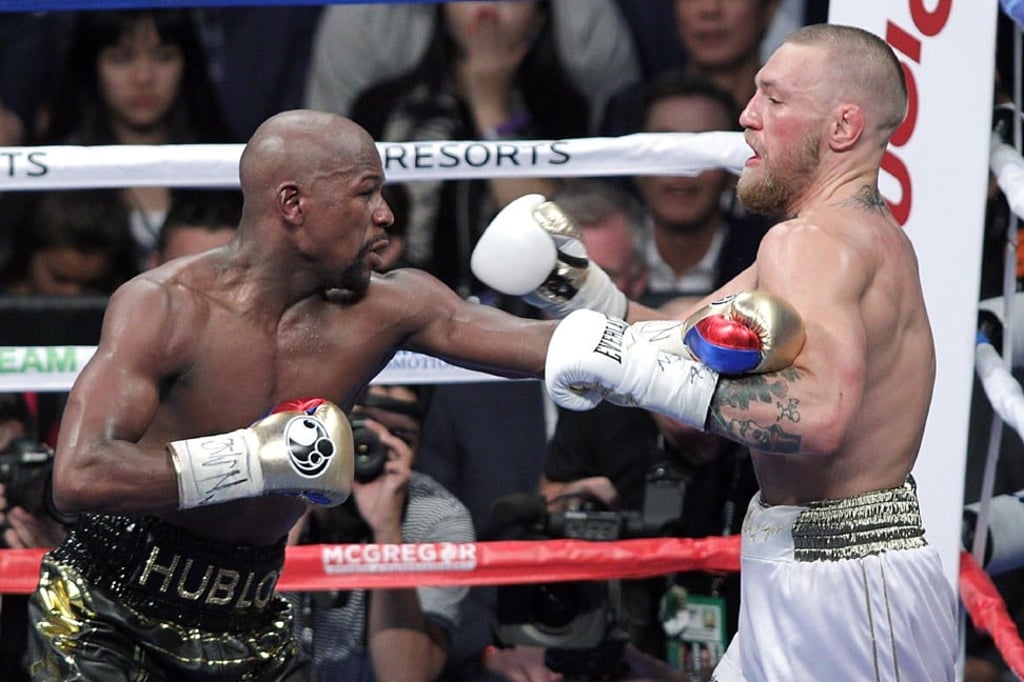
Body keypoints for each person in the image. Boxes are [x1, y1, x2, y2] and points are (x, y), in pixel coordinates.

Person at [472, 24, 958, 680]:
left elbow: (817, 416)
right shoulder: (849, 237)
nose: (747, 116)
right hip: (809, 563)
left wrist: (633, 367)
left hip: (844, 584)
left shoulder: (810, 244)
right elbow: (681, 332)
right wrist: (579, 291)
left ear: (843, 127)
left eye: (775, 100)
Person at [25, 109, 558, 681]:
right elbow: (79, 476)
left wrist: (637, 327)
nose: (386, 214)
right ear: (293, 204)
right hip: (110, 616)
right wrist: (252, 460)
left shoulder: (390, 307)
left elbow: (543, 346)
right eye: (366, 193)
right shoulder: (165, 305)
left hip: (250, 622)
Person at [306, 0, 639, 297]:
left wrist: (490, 106)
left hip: (522, 311)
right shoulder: (382, 105)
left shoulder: (565, 111)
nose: (487, 11)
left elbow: (556, 235)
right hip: (395, 302)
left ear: (539, 17)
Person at [285, 383, 473, 681]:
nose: (373, 447)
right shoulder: (276, 493)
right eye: (360, 431)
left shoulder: (437, 516)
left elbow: (405, 676)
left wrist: (387, 531)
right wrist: (297, 501)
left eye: (398, 436)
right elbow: (236, 641)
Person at [631, 72, 768, 306]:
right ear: (635, 163)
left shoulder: (768, 259)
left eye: (703, 149)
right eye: (664, 147)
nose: (683, 167)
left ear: (733, 171)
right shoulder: (600, 250)